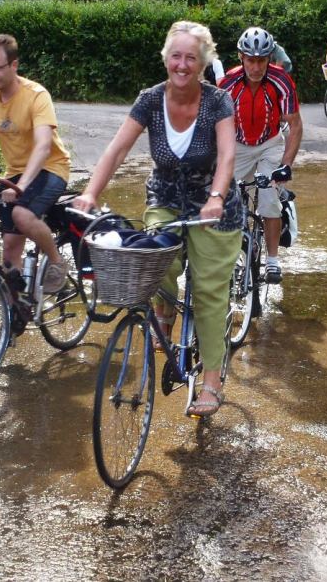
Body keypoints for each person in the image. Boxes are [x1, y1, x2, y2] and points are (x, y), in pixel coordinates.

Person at [73, 21, 242, 417]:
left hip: (212, 209)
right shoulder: (150, 100)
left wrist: (216, 195)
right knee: (152, 261)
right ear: (166, 58)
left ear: (202, 64)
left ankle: (212, 380)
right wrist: (90, 193)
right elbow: (116, 149)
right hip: (166, 199)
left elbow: (228, 155)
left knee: (207, 294)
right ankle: (163, 319)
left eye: (191, 58)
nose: (182, 65)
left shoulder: (217, 101)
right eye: (176, 56)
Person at [0, 33, 72, 293]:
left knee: (21, 213)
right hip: (16, 172)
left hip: (51, 168)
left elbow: (43, 146)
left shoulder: (36, 95)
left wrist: (20, 187)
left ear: (14, 65)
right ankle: (15, 314)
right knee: (8, 248)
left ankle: (56, 261)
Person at [219, 26, 303, 285]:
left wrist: (285, 166)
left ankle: (273, 260)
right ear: (241, 58)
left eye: (262, 60)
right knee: (222, 199)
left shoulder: (281, 81)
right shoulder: (227, 84)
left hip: (269, 143)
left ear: (269, 59)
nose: (256, 67)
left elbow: (295, 125)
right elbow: (215, 126)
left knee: (268, 199)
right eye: (251, 60)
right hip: (238, 145)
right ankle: (224, 255)